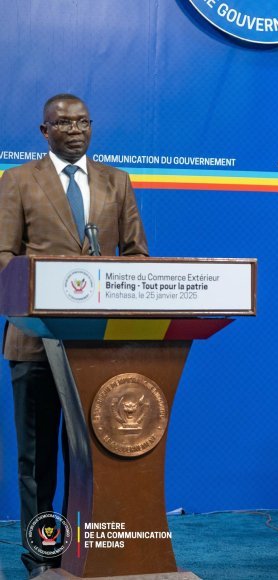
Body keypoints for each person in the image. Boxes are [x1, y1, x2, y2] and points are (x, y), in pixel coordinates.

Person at [0, 94, 148, 578]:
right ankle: (41, 556)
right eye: (64, 123)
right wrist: (47, 289)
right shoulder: (19, 180)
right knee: (38, 459)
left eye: (84, 121)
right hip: (35, 342)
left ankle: (82, 551)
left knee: (92, 460)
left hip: (98, 346)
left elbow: (137, 259)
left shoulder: (116, 182)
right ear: (44, 131)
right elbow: (4, 259)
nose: (76, 129)